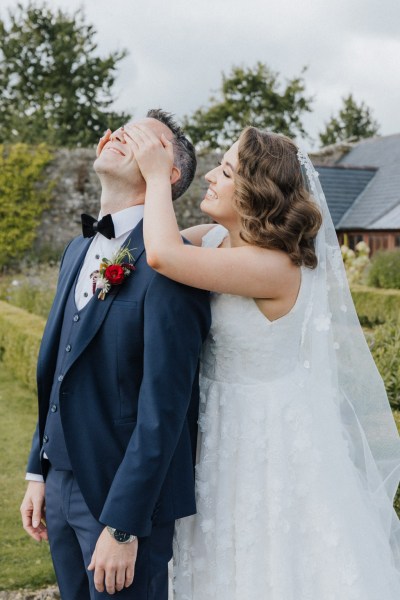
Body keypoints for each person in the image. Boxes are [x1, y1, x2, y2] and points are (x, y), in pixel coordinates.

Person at [120, 122, 400, 599]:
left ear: (255, 192)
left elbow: (162, 255)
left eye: (225, 171)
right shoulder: (211, 239)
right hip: (215, 425)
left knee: (271, 560)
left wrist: (155, 172)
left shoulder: (274, 266)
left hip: (264, 437)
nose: (209, 174)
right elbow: (138, 244)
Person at [20, 109, 211, 599]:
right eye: (124, 127)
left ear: (167, 174)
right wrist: (38, 471)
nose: (123, 135)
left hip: (122, 503)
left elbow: (165, 411)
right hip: (60, 485)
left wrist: (125, 525)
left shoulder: (174, 268)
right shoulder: (75, 251)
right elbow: (62, 370)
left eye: (146, 136)